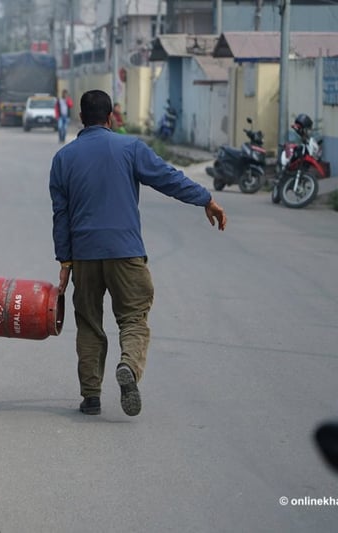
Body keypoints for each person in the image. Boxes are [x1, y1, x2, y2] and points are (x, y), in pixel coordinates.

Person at [49, 90, 226, 417]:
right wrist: (205, 198)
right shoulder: (129, 147)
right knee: (133, 317)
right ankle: (128, 364)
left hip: (84, 256)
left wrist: (64, 261)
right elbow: (168, 179)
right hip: (125, 252)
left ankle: (91, 396)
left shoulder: (63, 158)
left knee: (89, 322)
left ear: (80, 119)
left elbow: (61, 214)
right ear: (111, 118)